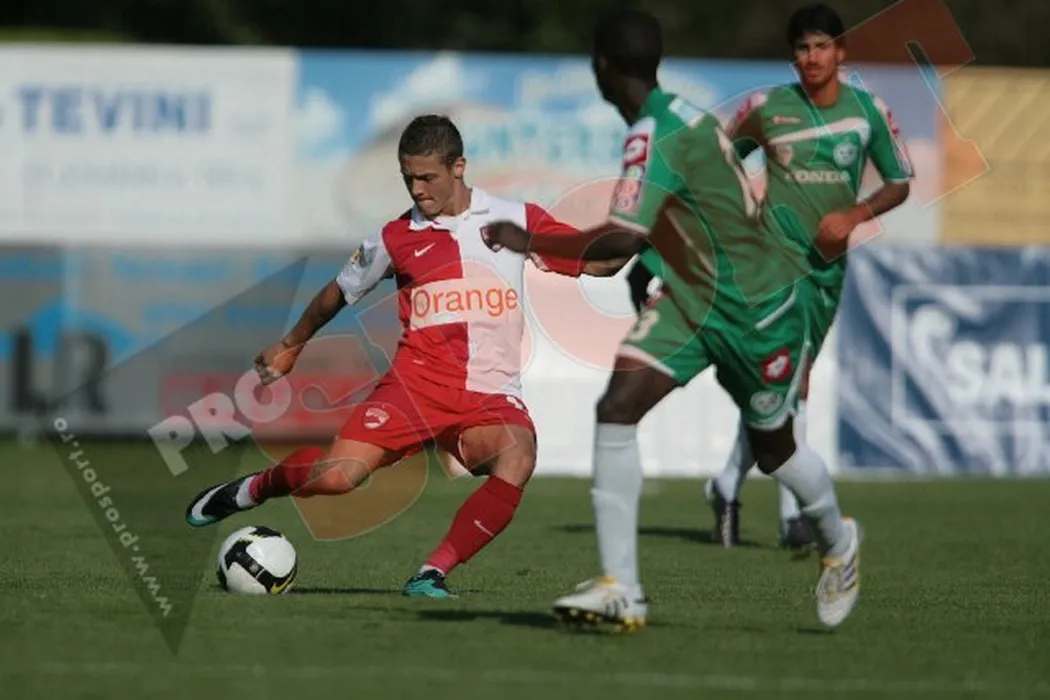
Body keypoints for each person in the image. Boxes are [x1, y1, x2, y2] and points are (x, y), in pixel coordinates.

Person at [483, 6, 901, 630]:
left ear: (603, 68)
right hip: (692, 303)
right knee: (617, 406)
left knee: (777, 450)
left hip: (759, 307)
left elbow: (623, 237)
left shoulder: (654, 131)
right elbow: (674, 218)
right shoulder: (682, 118)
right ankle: (622, 588)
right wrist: (643, 262)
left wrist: (532, 240)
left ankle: (839, 544)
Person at [184, 114, 624, 599]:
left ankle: (430, 573)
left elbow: (601, 262)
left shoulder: (516, 219)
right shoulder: (394, 237)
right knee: (338, 477)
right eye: (407, 178)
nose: (416, 189)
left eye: (426, 177)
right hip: (414, 389)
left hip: (489, 394)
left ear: (459, 167)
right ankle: (255, 488)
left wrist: (646, 234)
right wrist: (291, 345)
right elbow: (338, 292)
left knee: (517, 457)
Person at [705, 1, 914, 550]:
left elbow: (899, 181)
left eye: (822, 46)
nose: (812, 56)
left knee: (783, 384)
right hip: (772, 262)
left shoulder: (867, 111)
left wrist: (854, 214)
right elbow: (721, 162)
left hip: (827, 269)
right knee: (788, 381)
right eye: (802, 48)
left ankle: (726, 484)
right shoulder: (766, 107)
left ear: (841, 52)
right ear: (792, 57)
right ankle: (793, 516)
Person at [626, 256, 814, 551]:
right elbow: (640, 271)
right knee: (772, 395)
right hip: (722, 307)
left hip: (772, 293)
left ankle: (783, 512)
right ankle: (764, 503)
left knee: (788, 390)